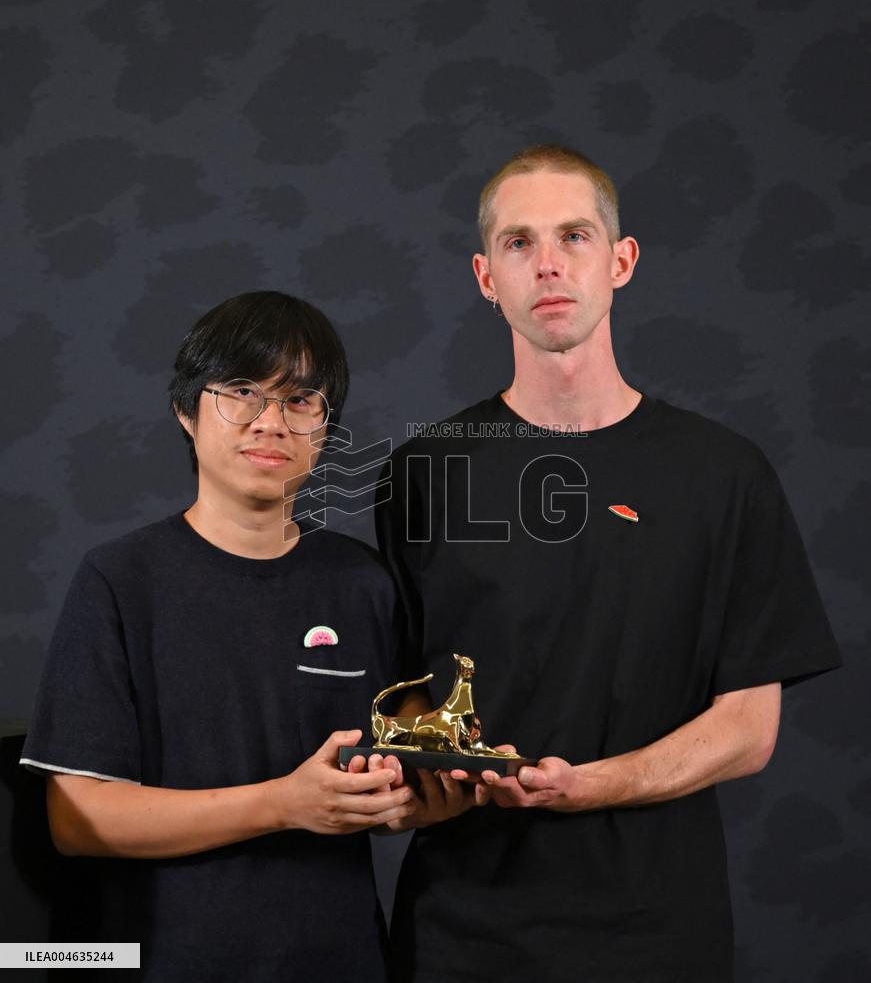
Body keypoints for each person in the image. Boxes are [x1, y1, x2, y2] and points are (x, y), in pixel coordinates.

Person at [374, 146, 841, 982]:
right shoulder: (424, 473)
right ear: (486, 277)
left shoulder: (721, 474)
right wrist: (409, 785)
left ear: (619, 260)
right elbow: (401, 695)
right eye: (518, 243)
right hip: (462, 935)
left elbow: (747, 730)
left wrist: (588, 786)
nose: (547, 263)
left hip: (658, 934)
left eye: (573, 236)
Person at [20, 291, 414, 981]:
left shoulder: (363, 583)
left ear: (326, 426)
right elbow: (77, 820)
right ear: (185, 410)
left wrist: (430, 791)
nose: (270, 421)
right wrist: (281, 805)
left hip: (341, 960)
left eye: (300, 400)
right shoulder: (121, 580)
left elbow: (393, 778)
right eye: (240, 392)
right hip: (169, 962)